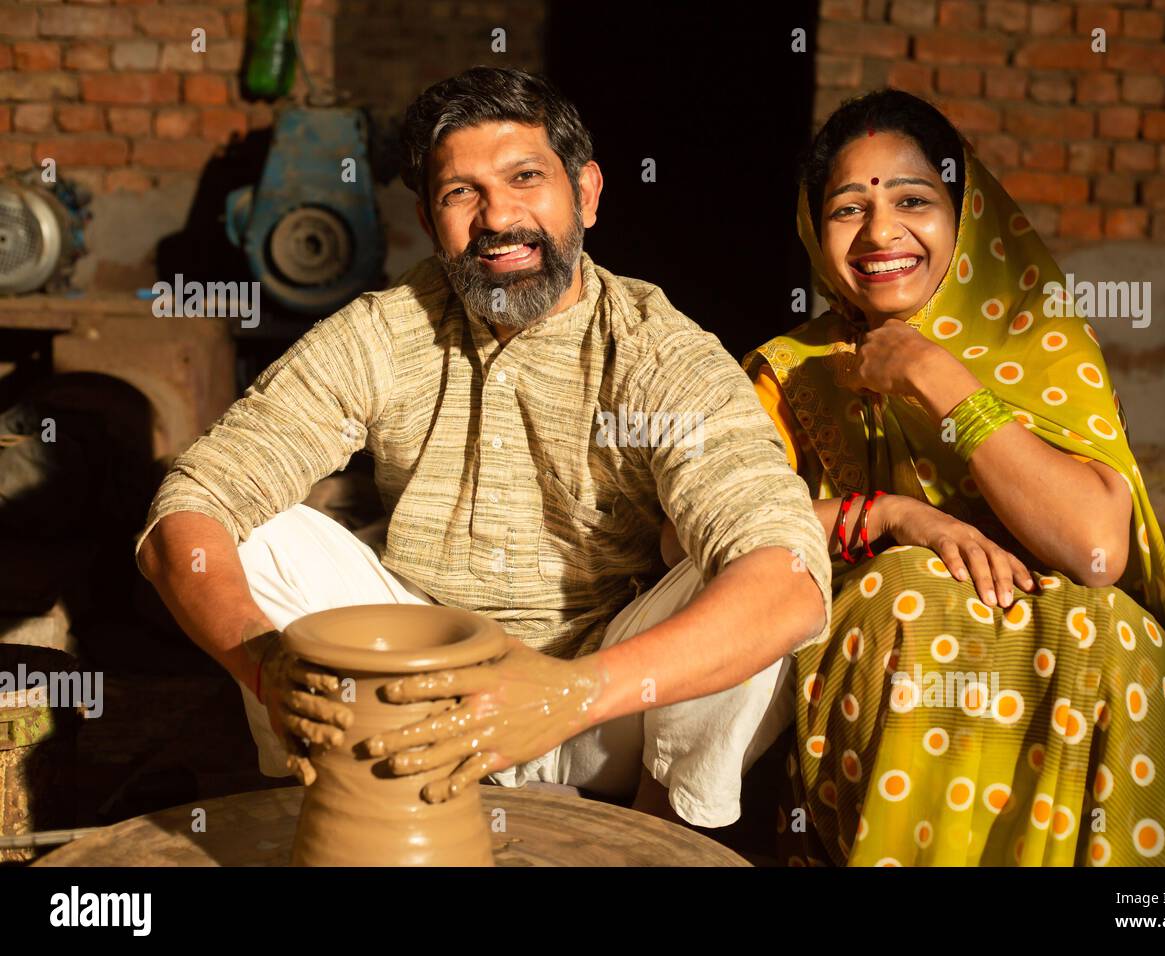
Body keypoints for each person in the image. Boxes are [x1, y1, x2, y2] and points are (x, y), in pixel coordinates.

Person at [136, 67, 831, 831]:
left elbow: (788, 581)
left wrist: (568, 693)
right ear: (431, 222)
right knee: (252, 533)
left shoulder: (656, 351)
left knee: (757, 577)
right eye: (460, 193)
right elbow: (193, 501)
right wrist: (261, 662)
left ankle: (656, 838)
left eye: (525, 178)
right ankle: (350, 811)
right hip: (409, 695)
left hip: (601, 713)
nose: (497, 216)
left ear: (588, 194)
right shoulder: (387, 331)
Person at [738, 89, 1165, 865]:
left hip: (1073, 638)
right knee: (908, 599)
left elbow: (1098, 551)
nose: (882, 232)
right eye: (848, 209)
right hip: (893, 642)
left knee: (1111, 632)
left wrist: (932, 371)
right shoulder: (792, 373)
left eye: (913, 200)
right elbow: (706, 533)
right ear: (813, 230)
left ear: (967, 217)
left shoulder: (1042, 343)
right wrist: (896, 517)